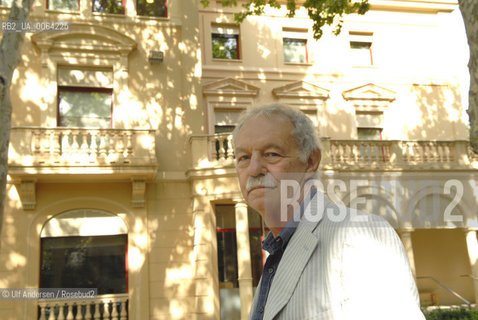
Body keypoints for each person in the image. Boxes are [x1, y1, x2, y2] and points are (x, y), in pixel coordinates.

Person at [232, 104, 425, 320]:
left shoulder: (359, 235)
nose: (254, 169)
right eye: (243, 158)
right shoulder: (275, 254)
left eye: (271, 154)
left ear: (311, 161)